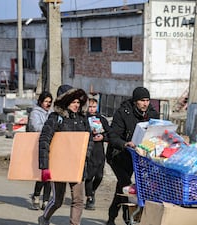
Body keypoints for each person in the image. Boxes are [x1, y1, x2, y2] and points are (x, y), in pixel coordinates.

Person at [37, 84, 92, 225]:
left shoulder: (82, 118)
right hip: (60, 165)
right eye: (73, 102)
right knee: (58, 200)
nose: (76, 105)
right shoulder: (55, 118)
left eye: (78, 102)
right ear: (65, 102)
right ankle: (44, 218)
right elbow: (44, 140)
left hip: (77, 165)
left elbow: (88, 139)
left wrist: (85, 156)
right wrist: (45, 166)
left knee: (78, 200)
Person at [105, 87, 159, 225]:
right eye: (142, 101)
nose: (145, 104)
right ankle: (127, 218)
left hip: (137, 157)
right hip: (118, 155)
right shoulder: (123, 113)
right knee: (126, 185)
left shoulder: (152, 114)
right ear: (135, 101)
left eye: (147, 100)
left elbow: (157, 132)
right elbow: (113, 136)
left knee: (122, 187)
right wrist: (124, 144)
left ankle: (112, 217)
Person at [28, 91, 53, 210]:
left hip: (51, 144)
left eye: (49, 102)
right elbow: (35, 126)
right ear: (41, 102)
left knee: (49, 174)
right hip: (39, 143)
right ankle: (36, 196)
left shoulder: (52, 113)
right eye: (46, 101)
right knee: (43, 173)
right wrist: (48, 128)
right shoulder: (35, 113)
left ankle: (46, 199)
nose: (48, 104)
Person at [84, 98, 110, 210]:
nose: (92, 109)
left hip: (99, 151)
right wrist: (90, 134)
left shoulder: (102, 119)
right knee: (89, 175)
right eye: (90, 106)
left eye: (94, 106)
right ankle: (89, 197)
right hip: (89, 150)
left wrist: (103, 137)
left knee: (99, 176)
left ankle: (93, 190)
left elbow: (110, 133)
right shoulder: (83, 119)